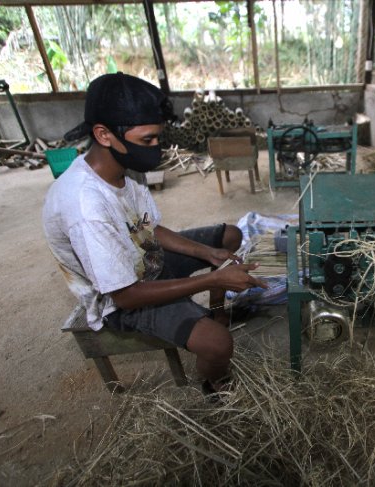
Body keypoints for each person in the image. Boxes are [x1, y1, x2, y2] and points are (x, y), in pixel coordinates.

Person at [42, 72, 266, 395]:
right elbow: (125, 295)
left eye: (158, 138)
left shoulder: (124, 166)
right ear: (104, 135)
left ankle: (217, 313)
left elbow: (147, 228)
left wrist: (207, 254)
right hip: (120, 298)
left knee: (228, 236)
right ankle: (215, 384)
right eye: (147, 140)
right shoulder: (85, 205)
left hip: (145, 258)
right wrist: (212, 279)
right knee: (219, 345)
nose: (156, 148)